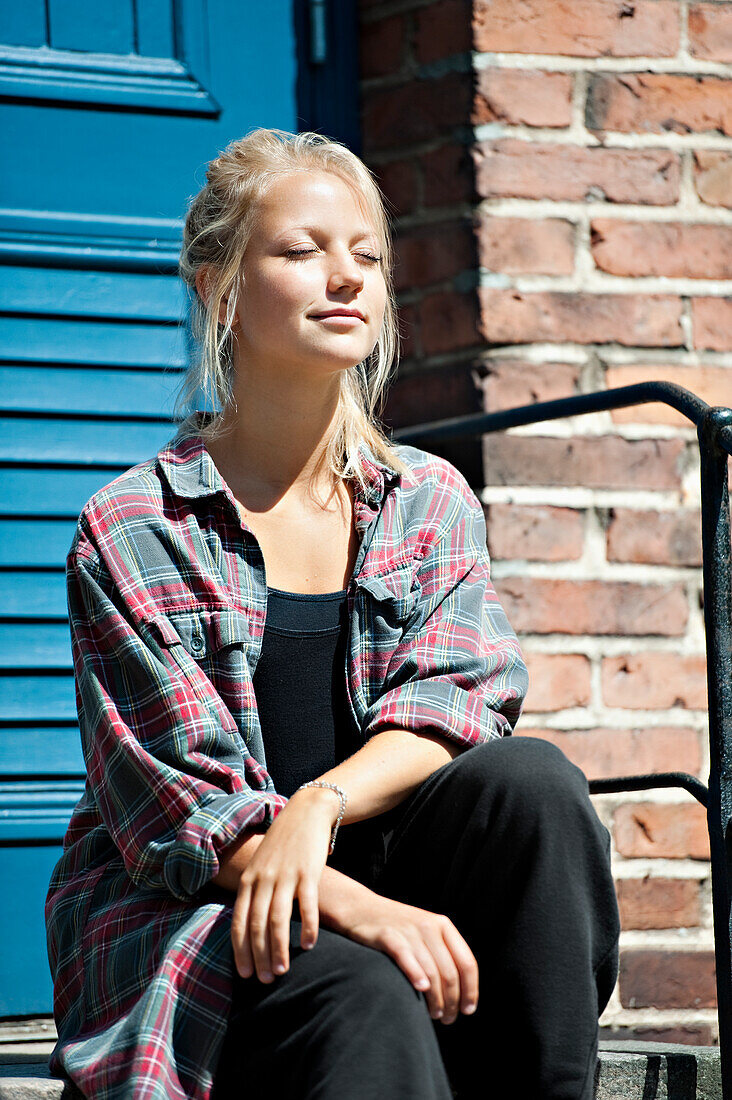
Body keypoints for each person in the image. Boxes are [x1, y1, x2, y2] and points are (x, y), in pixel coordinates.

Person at [45, 127, 620, 1100]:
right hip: (203, 901)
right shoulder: (137, 524)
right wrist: (364, 907)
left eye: (365, 255)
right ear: (217, 284)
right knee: (363, 985)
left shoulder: (424, 498)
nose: (344, 276)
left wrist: (323, 804)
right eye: (301, 250)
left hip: (368, 851)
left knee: (535, 786)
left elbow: (456, 704)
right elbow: (187, 814)